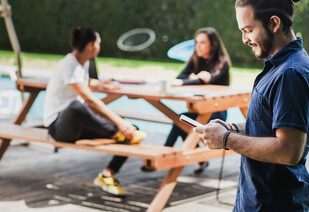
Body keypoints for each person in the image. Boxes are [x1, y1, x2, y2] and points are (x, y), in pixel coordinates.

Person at [195, 0, 309, 211]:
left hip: (275, 203)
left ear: (273, 23)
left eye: (249, 30)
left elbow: (289, 150)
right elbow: (270, 126)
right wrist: (233, 129)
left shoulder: (290, 73)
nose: (244, 39)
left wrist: (226, 140)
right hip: (255, 198)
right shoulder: (279, 66)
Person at [43, 27, 138, 196]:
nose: (99, 47)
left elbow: (84, 82)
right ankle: (116, 131)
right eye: (98, 43)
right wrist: (120, 123)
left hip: (77, 125)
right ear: (90, 45)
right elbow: (90, 100)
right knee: (76, 107)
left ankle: (107, 174)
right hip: (58, 127)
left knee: (133, 129)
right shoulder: (69, 65)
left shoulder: (83, 62)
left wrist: (100, 85)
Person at [141, 27, 232, 174]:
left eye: (202, 43)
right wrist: (196, 77)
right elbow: (180, 78)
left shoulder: (222, 63)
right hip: (199, 110)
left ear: (213, 45)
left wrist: (193, 80)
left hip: (216, 113)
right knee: (182, 121)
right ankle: (192, 158)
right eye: (196, 42)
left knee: (181, 121)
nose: (198, 46)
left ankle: (165, 153)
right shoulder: (196, 59)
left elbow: (205, 81)